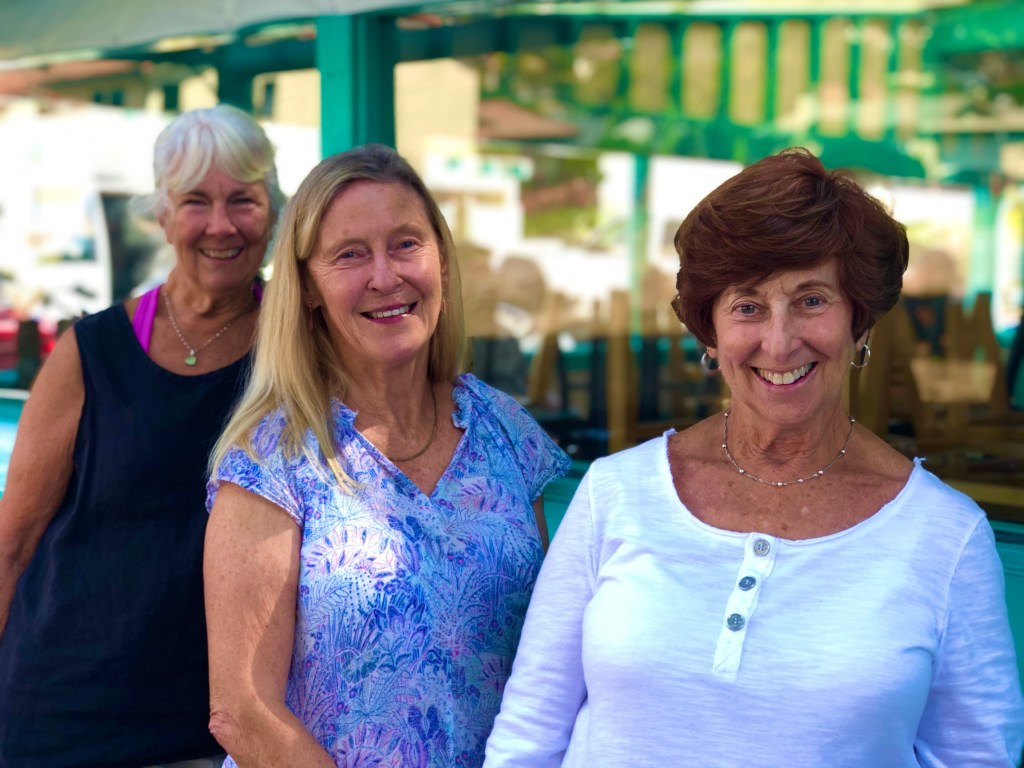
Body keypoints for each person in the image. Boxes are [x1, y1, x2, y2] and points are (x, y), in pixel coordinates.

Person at [483, 148, 1024, 767]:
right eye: (747, 306)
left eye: (812, 300)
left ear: (859, 320)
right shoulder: (615, 493)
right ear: (710, 333)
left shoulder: (946, 536)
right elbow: (528, 738)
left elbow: (976, 757)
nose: (779, 341)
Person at [204, 143, 569, 768]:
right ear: (308, 287)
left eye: (406, 244)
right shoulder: (271, 460)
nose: (385, 276)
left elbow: (547, 663)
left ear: (442, 263)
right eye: (350, 254)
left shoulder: (505, 430)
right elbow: (243, 711)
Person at [0, 104, 284, 767]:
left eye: (242, 200)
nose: (221, 224)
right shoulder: (91, 351)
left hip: (209, 729)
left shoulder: (297, 347)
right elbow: (11, 544)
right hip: (59, 713)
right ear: (161, 214)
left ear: (272, 211)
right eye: (195, 201)